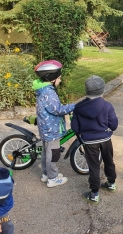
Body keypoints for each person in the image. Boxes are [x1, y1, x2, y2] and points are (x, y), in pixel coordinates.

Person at [71, 75, 118, 205]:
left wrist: (82, 134)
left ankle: (94, 194)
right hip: (105, 139)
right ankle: (111, 183)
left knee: (93, 166)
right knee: (109, 161)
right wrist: (108, 129)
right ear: (102, 90)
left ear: (86, 91)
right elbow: (113, 125)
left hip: (89, 141)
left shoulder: (79, 107)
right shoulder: (107, 106)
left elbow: (75, 127)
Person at [33, 60, 74, 188]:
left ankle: (46, 174)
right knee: (53, 153)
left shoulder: (43, 89)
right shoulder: (48, 92)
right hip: (51, 129)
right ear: (51, 78)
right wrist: (75, 106)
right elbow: (58, 110)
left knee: (46, 152)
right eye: (59, 78)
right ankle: (53, 178)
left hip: (46, 127)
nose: (60, 80)